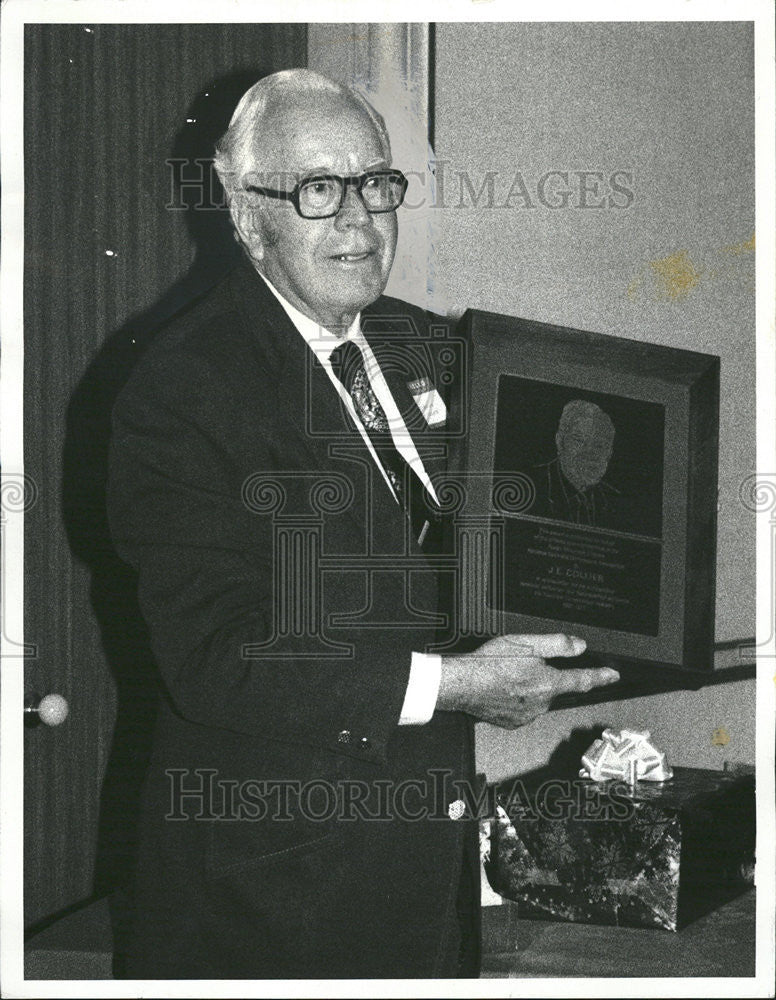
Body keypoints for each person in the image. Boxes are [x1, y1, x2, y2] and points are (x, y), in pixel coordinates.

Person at [107, 68, 619, 980]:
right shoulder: (183, 388)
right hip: (271, 899)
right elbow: (219, 657)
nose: (358, 220)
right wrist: (455, 686)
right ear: (246, 213)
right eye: (317, 189)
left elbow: (482, 545)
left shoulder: (422, 343)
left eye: (375, 184)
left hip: (420, 871)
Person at [531, 399, 622, 528]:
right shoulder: (529, 486)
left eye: (599, 445)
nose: (589, 453)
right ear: (559, 442)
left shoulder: (617, 502)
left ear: (609, 453)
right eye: (579, 441)